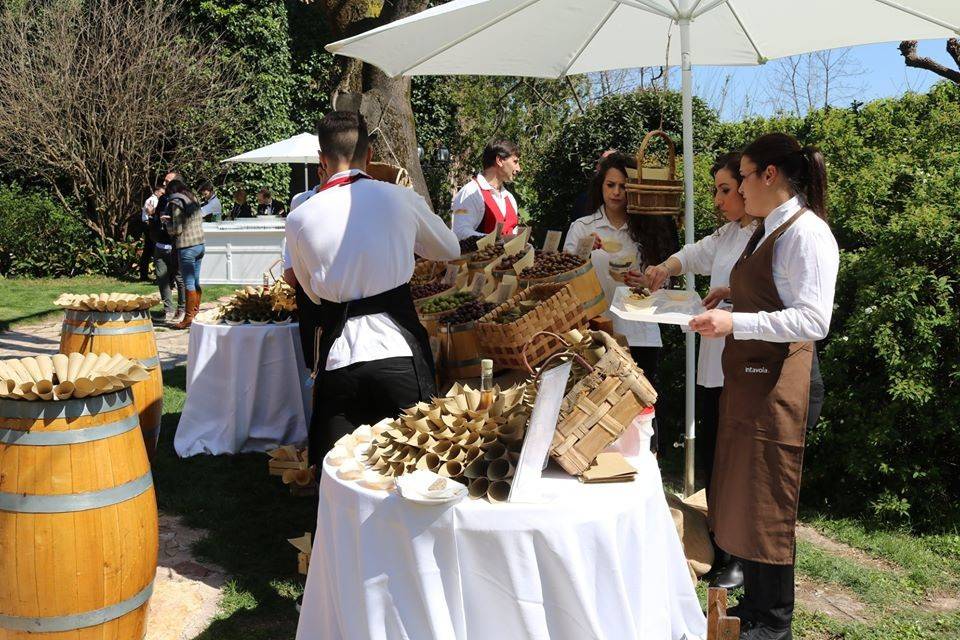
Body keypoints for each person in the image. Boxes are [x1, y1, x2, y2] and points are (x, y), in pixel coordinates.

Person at [688, 133, 837, 639]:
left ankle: (774, 624)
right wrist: (734, 296)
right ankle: (755, 606)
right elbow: (775, 295)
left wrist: (736, 324)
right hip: (754, 382)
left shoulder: (806, 233)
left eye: (743, 177)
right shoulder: (767, 229)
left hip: (782, 388)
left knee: (769, 500)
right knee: (748, 495)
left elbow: (813, 319)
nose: (736, 190)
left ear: (768, 176)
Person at [284, 110, 459, 470]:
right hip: (399, 352)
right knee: (419, 467)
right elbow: (450, 249)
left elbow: (311, 292)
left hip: (339, 359)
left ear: (322, 159)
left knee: (339, 473)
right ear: (369, 155)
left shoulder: (300, 217)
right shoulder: (400, 199)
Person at [644, 151, 758, 590]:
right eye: (717, 190)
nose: (719, 199)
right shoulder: (730, 234)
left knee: (735, 461)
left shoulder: (765, 236)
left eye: (726, 189)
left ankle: (737, 555)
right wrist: (666, 266)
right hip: (714, 362)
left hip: (744, 366)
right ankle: (719, 540)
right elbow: (695, 253)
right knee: (714, 455)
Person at [562, 152, 678, 453]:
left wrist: (648, 280)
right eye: (610, 185)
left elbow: (666, 280)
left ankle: (645, 464)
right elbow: (563, 276)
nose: (616, 192)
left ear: (634, 189)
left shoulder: (648, 229)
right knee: (597, 405)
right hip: (597, 331)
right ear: (600, 186)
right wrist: (587, 251)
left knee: (641, 404)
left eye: (623, 186)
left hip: (641, 328)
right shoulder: (583, 227)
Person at [451, 139, 521, 239]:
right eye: (515, 162)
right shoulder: (469, 192)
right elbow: (459, 232)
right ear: (499, 161)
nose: (519, 169)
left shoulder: (510, 198)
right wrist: (496, 241)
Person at [163, 179, 206, 329]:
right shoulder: (193, 198)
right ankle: (195, 313)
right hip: (200, 244)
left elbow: (178, 229)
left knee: (188, 282)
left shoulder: (176, 202)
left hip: (187, 246)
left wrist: (167, 223)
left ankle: (188, 318)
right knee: (195, 281)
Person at [149, 173, 186, 323]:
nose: (164, 183)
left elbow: (184, 222)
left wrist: (170, 221)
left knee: (179, 278)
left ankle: (182, 309)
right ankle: (168, 310)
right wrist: (153, 216)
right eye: (164, 181)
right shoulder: (163, 199)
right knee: (162, 278)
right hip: (160, 244)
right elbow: (158, 218)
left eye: (167, 181)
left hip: (175, 244)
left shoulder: (181, 199)